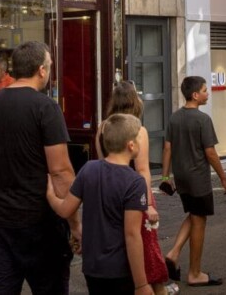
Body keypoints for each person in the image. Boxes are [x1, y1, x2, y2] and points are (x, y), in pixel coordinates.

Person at [0, 41, 78, 295]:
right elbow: (60, 171)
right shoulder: (46, 108)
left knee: (0, 289)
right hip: (39, 221)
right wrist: (75, 222)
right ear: (41, 70)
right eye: (49, 65)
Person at [49, 114, 152, 295]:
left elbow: (65, 210)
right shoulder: (135, 182)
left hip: (92, 267)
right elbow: (132, 235)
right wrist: (141, 284)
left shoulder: (88, 169)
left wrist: (49, 194)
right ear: (131, 145)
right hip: (120, 269)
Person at [96, 81, 171, 294]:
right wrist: (148, 204)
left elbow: (103, 164)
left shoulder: (102, 128)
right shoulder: (138, 130)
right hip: (134, 194)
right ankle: (149, 287)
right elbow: (143, 170)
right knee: (145, 248)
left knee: (117, 242)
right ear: (133, 102)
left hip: (110, 194)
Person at [162, 76, 226, 288]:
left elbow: (167, 148)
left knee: (194, 214)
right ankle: (194, 273)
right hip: (198, 178)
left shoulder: (174, 118)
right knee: (199, 221)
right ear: (195, 95)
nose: (207, 93)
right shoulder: (203, 120)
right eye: (204, 90)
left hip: (181, 177)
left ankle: (173, 253)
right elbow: (210, 153)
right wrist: (223, 177)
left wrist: (165, 177)